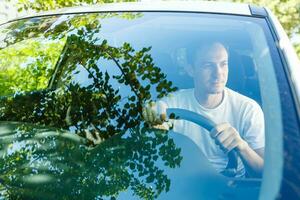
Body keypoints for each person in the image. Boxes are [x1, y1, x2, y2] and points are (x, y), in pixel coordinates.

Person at [142, 41, 264, 178]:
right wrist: (152, 114)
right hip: (183, 183)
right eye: (208, 65)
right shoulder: (172, 103)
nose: (218, 73)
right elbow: (151, 159)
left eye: (223, 64)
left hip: (231, 188)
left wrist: (242, 146)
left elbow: (262, 173)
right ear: (190, 70)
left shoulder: (248, 108)